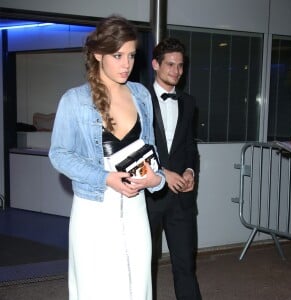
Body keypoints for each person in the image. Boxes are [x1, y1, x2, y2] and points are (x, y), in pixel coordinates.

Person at [49, 15, 165, 300]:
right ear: (98, 54)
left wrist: (155, 179)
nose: (126, 64)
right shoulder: (74, 100)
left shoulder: (141, 94)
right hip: (94, 211)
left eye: (131, 55)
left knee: (137, 287)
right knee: (97, 289)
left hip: (136, 210)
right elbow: (59, 155)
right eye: (118, 55)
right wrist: (106, 178)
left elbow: (151, 152)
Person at [146, 37, 202, 300]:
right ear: (155, 64)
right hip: (147, 197)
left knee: (185, 265)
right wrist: (160, 172)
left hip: (181, 198)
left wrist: (190, 171)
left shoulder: (189, 103)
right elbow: (133, 148)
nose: (176, 71)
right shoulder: (138, 99)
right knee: (143, 265)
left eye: (180, 65)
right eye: (170, 64)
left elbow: (190, 146)